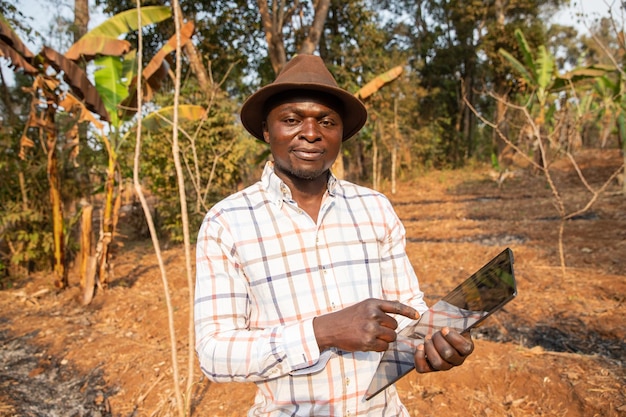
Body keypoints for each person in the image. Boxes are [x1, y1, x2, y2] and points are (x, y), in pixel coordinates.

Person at [195, 54, 474, 416]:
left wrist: (436, 341)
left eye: (326, 121)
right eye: (292, 119)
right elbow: (215, 354)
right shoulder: (227, 222)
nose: (311, 133)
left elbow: (408, 309)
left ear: (341, 133)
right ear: (267, 130)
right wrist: (321, 331)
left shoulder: (375, 208)